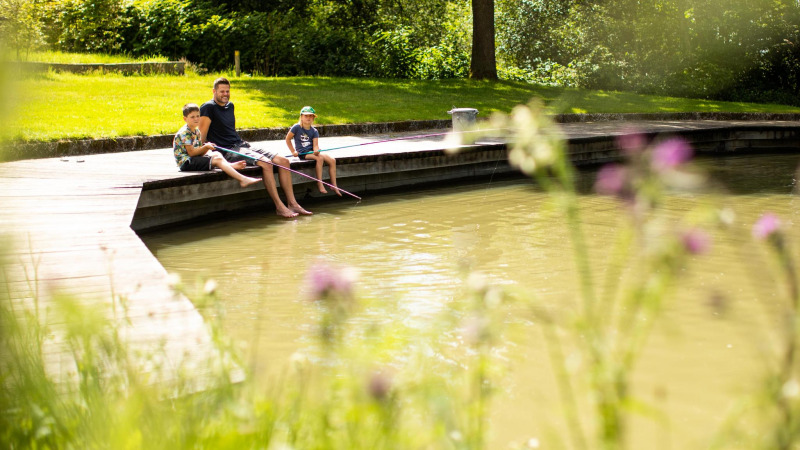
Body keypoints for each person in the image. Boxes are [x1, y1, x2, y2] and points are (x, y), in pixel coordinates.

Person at [199, 77, 311, 217]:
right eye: (222, 91)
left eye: (227, 91)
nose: (225, 94)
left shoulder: (230, 105)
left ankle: (293, 204)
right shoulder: (208, 108)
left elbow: (229, 130)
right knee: (266, 163)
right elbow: (201, 136)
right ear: (214, 91)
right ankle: (279, 206)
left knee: (284, 161)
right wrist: (202, 154)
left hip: (241, 145)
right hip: (228, 150)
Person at [173, 103, 262, 189]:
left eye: (198, 116)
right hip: (186, 163)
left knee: (217, 154)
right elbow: (191, 153)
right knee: (217, 159)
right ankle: (243, 179)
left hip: (192, 159)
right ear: (185, 119)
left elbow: (199, 153)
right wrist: (206, 147)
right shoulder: (185, 132)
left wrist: (207, 148)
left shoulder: (197, 132)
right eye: (192, 117)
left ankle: (230, 166)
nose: (196, 119)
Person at [285, 106, 341, 196]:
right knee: (320, 159)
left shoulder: (314, 131)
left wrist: (316, 151)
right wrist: (293, 151)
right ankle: (319, 182)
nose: (308, 118)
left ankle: (334, 185)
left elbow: (315, 145)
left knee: (332, 160)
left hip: (311, 152)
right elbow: (288, 139)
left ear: (314, 118)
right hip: (303, 153)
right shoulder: (296, 127)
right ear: (301, 117)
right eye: (306, 116)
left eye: (311, 116)